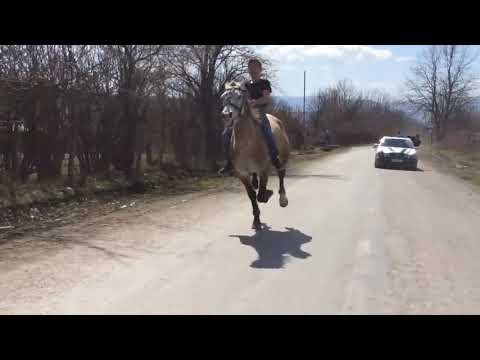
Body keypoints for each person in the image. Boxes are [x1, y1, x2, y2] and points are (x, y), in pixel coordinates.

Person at [218, 58, 284, 175]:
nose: (252, 70)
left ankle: (275, 158)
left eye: (254, 68)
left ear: (260, 69)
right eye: (250, 68)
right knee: (226, 133)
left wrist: (254, 102)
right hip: (244, 113)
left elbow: (267, 98)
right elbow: (237, 95)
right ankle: (229, 162)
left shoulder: (264, 83)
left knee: (267, 130)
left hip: (259, 112)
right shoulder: (245, 84)